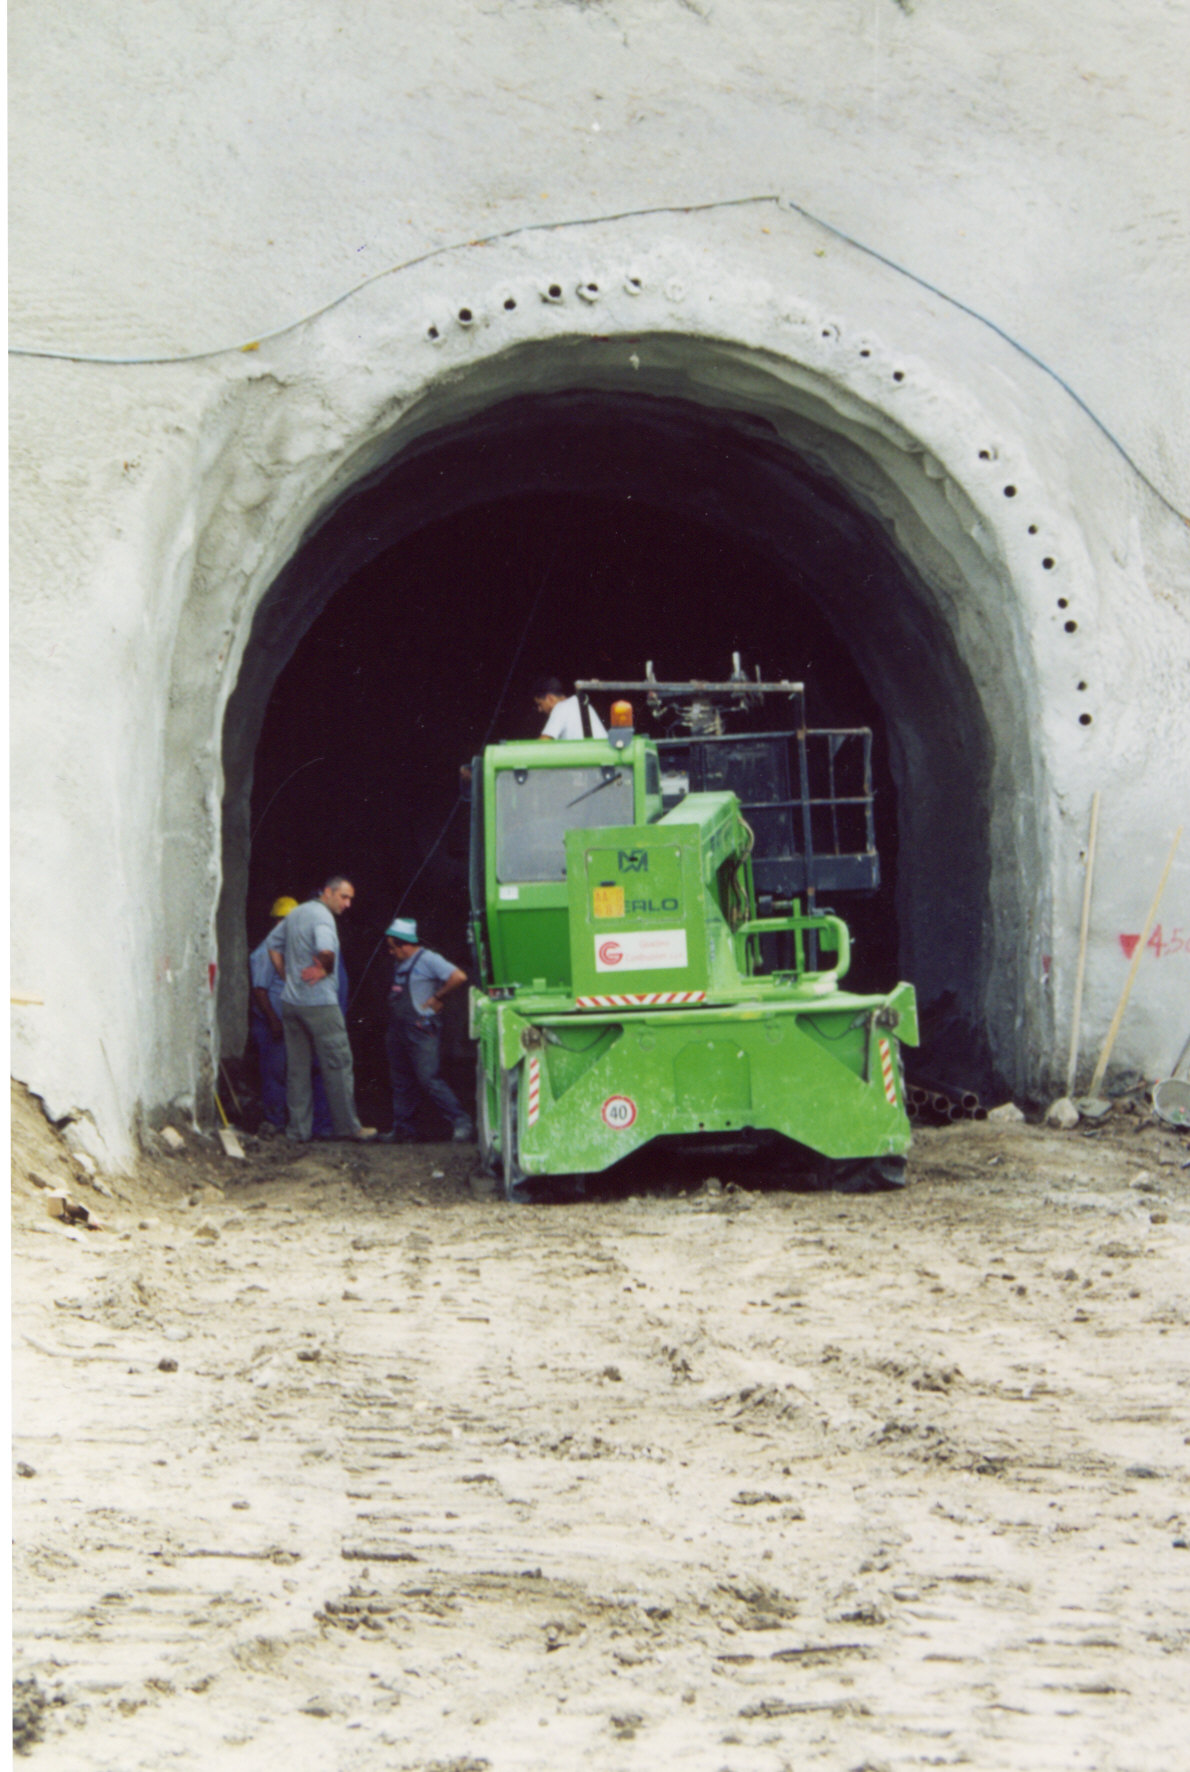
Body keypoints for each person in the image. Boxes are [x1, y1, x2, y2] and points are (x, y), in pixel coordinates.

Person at [267, 876, 375, 1143]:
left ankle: (297, 1131)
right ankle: (349, 1127)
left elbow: (272, 944)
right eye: (344, 897)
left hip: (291, 1003)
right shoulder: (323, 918)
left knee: (297, 1070)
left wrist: (286, 976)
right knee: (338, 1063)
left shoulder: (296, 913)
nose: (348, 904)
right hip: (320, 1004)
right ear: (327, 892)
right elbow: (326, 949)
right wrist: (323, 967)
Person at [249, 895, 346, 1138]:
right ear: (276, 922)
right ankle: (276, 1122)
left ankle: (305, 1126)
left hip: (292, 1022)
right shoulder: (265, 952)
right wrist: (273, 1021)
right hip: (272, 1023)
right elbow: (260, 991)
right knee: (276, 1074)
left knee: (297, 1073)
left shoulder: (293, 949)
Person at [381, 917, 474, 1143]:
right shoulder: (400, 962)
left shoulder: (429, 959)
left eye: (393, 948)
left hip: (421, 1028)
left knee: (428, 1078)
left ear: (404, 944)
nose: (391, 953)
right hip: (399, 1028)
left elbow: (458, 976)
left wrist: (438, 996)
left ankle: (461, 1121)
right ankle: (404, 1130)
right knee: (401, 1080)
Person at [532, 676, 607, 740]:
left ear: (550, 698)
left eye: (540, 704)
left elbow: (544, 742)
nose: (539, 709)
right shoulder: (579, 703)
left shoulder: (561, 707)